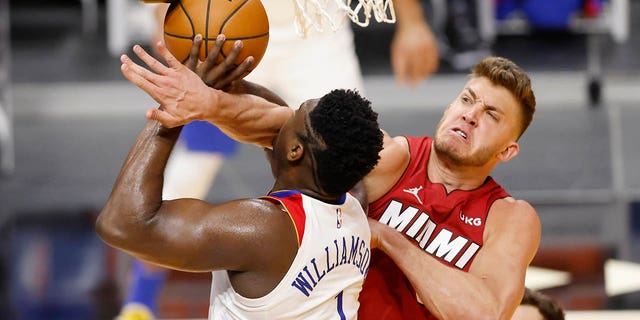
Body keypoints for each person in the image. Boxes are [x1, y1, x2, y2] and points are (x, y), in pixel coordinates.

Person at [121, 42, 542, 319]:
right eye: (467, 99)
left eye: (491, 115)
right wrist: (207, 101)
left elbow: (482, 314)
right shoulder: (392, 156)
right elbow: (280, 127)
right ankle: (140, 299)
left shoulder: (510, 217)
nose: (470, 114)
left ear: (508, 151)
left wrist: (388, 237)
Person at [119, 0, 440, 316]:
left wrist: (412, 20)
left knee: (356, 168)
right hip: (221, 27)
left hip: (314, 29)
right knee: (191, 171)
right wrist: (166, 17)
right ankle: (140, 303)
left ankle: (360, 297)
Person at [97, 36, 385, 319]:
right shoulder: (355, 203)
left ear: (296, 150)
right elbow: (277, 132)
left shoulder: (263, 229)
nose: (283, 113)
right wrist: (224, 85)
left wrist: (172, 106)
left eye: (295, 113)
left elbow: (123, 223)